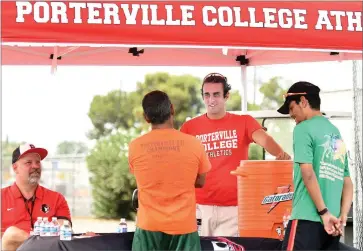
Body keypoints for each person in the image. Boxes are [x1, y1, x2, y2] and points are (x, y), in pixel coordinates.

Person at [180, 73, 291, 237]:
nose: (211, 100)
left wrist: (282, 155)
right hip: (199, 207)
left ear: (226, 96)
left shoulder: (244, 122)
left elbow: (265, 140)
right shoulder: (189, 127)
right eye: (207, 95)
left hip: (235, 208)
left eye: (216, 94)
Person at [128, 90, 212, 251]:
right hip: (184, 227)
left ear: (146, 117)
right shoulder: (194, 144)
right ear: (172, 109)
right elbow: (201, 181)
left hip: (148, 227)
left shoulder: (135, 146)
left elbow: (144, 179)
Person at [277, 81, 353, 250]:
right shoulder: (335, 132)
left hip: (307, 220)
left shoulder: (302, 128)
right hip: (332, 225)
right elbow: (347, 181)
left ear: (303, 101)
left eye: (291, 108)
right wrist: (342, 216)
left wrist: (323, 212)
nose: (291, 115)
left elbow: (308, 173)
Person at [1, 143, 72, 251]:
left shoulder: (57, 198)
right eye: (28, 162)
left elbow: (65, 228)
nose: (36, 166)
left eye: (38, 162)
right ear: (15, 168)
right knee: (12, 234)